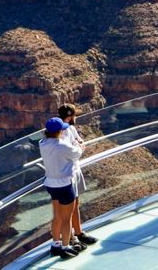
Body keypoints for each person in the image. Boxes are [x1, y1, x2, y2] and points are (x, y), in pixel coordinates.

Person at [41, 118, 85, 259]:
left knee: (57, 216)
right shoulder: (62, 146)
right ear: (59, 131)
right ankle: (65, 247)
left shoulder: (42, 143)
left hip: (50, 184)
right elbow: (77, 153)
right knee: (66, 219)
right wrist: (80, 146)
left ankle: (55, 245)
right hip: (64, 185)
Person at [54, 105, 97, 248]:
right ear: (69, 116)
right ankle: (70, 239)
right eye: (74, 115)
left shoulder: (71, 129)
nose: (75, 118)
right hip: (67, 175)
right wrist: (78, 148)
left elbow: (80, 142)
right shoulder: (59, 134)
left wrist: (79, 146)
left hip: (76, 170)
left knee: (76, 204)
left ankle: (79, 233)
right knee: (65, 210)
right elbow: (71, 151)